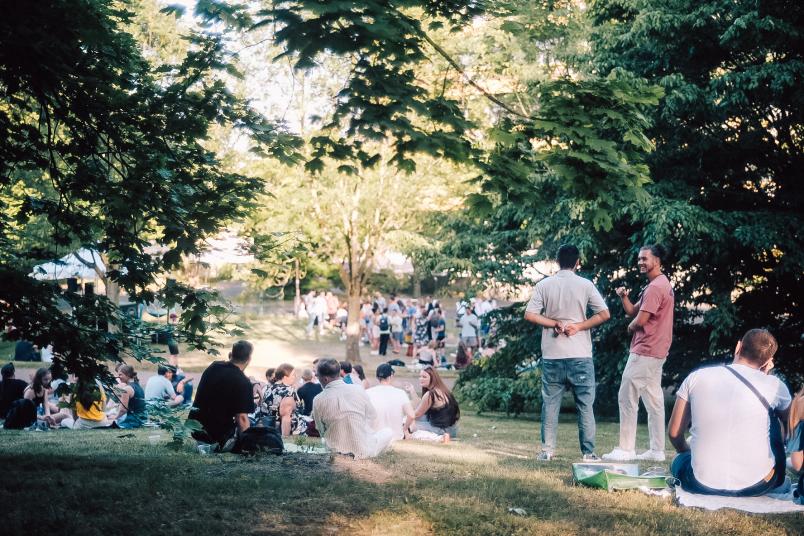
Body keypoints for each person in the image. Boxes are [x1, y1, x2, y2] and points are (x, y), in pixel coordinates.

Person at [668, 329, 791, 496]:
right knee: (774, 414)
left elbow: (674, 433)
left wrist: (686, 451)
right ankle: (779, 481)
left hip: (700, 483)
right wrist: (765, 377)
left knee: (677, 462)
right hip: (757, 485)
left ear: (738, 347)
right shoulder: (774, 386)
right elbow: (790, 422)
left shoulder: (696, 377)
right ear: (768, 361)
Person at [524, 244, 610, 461]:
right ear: (578, 262)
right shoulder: (585, 284)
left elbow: (531, 315)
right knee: (585, 406)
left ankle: (547, 451)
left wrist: (553, 322)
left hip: (552, 355)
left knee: (550, 405)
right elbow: (604, 314)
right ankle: (589, 454)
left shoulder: (545, 285)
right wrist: (579, 326)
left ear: (556, 261)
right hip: (580, 354)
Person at [603, 244, 675, 463]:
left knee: (627, 395)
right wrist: (624, 296)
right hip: (657, 350)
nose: (641, 262)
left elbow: (639, 320)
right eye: (639, 259)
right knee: (654, 400)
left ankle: (626, 449)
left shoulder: (655, 287)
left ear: (657, 260)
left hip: (645, 349)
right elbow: (634, 310)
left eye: (645, 259)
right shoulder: (658, 285)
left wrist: (630, 327)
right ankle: (657, 450)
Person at [312, 358, 394, 459]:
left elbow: (321, 430)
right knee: (388, 432)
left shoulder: (318, 399)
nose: (317, 378)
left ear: (325, 379)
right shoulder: (358, 389)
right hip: (362, 451)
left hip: (334, 450)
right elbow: (372, 415)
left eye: (317, 376)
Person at [189, 340, 256, 450]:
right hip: (217, 435)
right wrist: (247, 446)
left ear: (231, 354)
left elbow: (231, 373)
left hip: (196, 429)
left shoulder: (214, 367)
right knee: (252, 423)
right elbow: (242, 418)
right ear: (249, 359)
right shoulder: (243, 382)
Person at [406, 366, 459, 438]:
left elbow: (416, 414)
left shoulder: (431, 394)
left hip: (443, 430)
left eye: (424, 377)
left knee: (410, 424)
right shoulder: (442, 389)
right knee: (411, 420)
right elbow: (420, 406)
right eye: (420, 376)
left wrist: (405, 424)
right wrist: (412, 390)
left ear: (432, 378)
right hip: (452, 429)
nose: (421, 379)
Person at [366, 364, 414, 441]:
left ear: (377, 377)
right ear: (391, 376)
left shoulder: (367, 393)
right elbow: (411, 415)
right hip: (396, 438)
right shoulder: (400, 393)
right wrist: (404, 429)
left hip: (373, 437)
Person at [262, 363, 308, 436]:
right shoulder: (288, 391)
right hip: (290, 433)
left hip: (269, 430)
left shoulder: (268, 389)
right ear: (285, 377)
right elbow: (286, 419)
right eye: (293, 375)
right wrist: (285, 441)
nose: (295, 377)